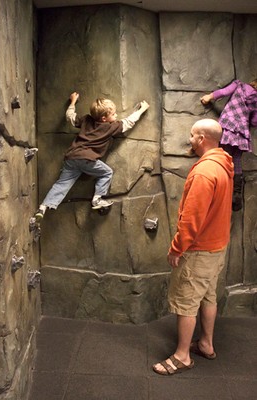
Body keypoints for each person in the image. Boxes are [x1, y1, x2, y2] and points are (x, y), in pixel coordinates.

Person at [153, 119, 234, 376]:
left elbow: (192, 219)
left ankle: (182, 356)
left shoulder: (203, 172)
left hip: (198, 251)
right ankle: (206, 344)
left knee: (186, 301)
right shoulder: (223, 165)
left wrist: (177, 248)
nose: (189, 140)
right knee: (208, 296)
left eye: (191, 135)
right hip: (217, 247)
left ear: (201, 139)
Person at [35, 92, 149, 220]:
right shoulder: (110, 127)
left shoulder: (86, 120)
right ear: (104, 119)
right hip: (87, 159)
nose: (116, 115)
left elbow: (70, 117)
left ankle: (43, 207)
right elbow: (128, 122)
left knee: (62, 184)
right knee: (107, 173)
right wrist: (142, 110)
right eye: (113, 114)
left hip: (71, 158)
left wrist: (73, 102)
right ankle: (97, 199)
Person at [200, 79, 257, 211]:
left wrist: (209, 97)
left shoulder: (239, 86)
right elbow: (254, 121)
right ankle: (236, 194)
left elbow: (223, 92)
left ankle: (216, 188)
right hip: (241, 132)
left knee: (221, 155)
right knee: (236, 160)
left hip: (228, 126)